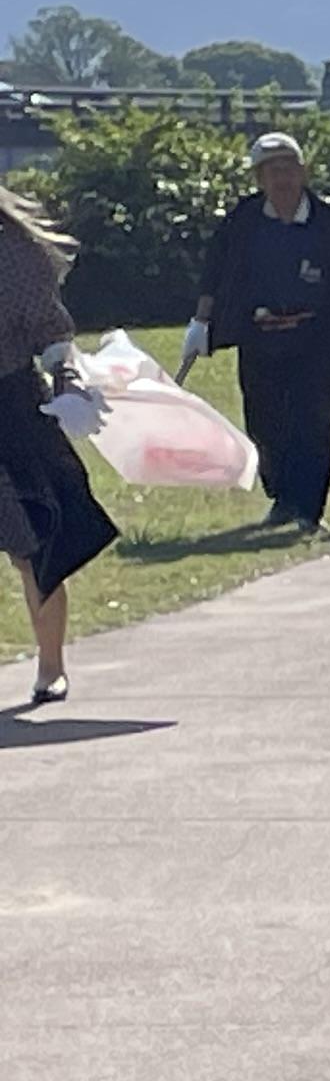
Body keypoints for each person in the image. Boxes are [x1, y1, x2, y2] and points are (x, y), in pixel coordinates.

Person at [187, 132, 330, 535]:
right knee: (265, 423)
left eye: (289, 169)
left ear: (303, 172)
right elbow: (214, 275)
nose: (282, 179)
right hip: (261, 339)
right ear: (259, 178)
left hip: (318, 340)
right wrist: (201, 322)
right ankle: (283, 498)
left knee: (315, 422)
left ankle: (309, 508)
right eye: (272, 171)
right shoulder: (244, 221)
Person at [0, 182, 117, 710]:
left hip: (11, 407)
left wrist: (67, 380)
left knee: (35, 546)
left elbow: (51, 332)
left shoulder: (14, 251)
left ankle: (51, 666)